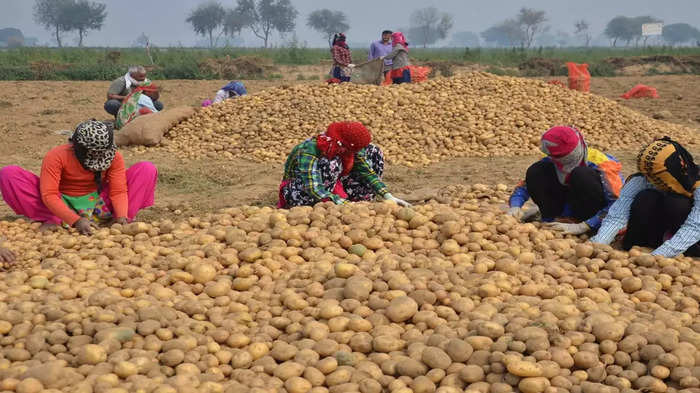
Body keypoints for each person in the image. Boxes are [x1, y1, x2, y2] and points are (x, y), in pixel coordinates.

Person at [0, 120, 158, 235]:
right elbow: (49, 194)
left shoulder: (114, 156)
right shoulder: (57, 156)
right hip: (59, 202)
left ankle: (119, 220)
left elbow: (118, 191)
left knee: (146, 169)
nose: (99, 158)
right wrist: (76, 220)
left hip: (99, 203)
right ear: (77, 147)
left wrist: (122, 215)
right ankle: (55, 218)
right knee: (9, 174)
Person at [591, 137, 700, 257]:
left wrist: (658, 256)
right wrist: (598, 243)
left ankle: (688, 251)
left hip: (691, 236)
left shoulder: (697, 183)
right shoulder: (644, 178)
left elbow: (695, 226)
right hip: (656, 234)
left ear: (675, 168)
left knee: (676, 202)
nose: (652, 180)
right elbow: (617, 216)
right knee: (646, 197)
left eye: (658, 176)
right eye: (648, 175)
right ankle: (641, 243)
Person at [507, 126, 623, 235]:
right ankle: (552, 219)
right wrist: (516, 205)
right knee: (537, 170)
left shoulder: (603, 164)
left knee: (582, 175)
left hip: (591, 215)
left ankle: (585, 224)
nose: (553, 159)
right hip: (561, 213)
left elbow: (619, 204)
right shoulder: (553, 158)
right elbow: (527, 184)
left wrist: (585, 226)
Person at [277, 121, 410, 208]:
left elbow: (366, 171)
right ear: (344, 144)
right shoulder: (310, 149)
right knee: (331, 163)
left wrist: (387, 195)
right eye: (355, 149)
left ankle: (354, 202)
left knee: (374, 151)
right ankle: (336, 204)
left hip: (333, 186)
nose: (358, 152)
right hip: (301, 191)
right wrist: (349, 206)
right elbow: (314, 189)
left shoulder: (344, 148)